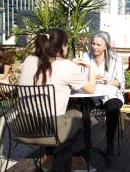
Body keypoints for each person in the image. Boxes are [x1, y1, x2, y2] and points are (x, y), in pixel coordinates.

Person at [19, 28, 96, 172]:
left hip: (23, 127)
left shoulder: (29, 60)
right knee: (78, 117)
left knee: (61, 119)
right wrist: (91, 67)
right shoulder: (66, 66)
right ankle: (76, 161)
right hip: (48, 130)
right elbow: (91, 89)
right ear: (62, 47)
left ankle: (48, 159)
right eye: (66, 44)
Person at [82, 31, 124, 156]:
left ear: (106, 46)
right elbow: (81, 78)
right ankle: (86, 142)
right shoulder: (86, 56)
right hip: (91, 94)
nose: (94, 47)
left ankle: (109, 142)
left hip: (110, 95)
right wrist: (92, 78)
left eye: (98, 45)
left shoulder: (115, 58)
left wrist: (108, 80)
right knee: (82, 107)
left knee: (113, 108)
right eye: (93, 43)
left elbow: (119, 82)